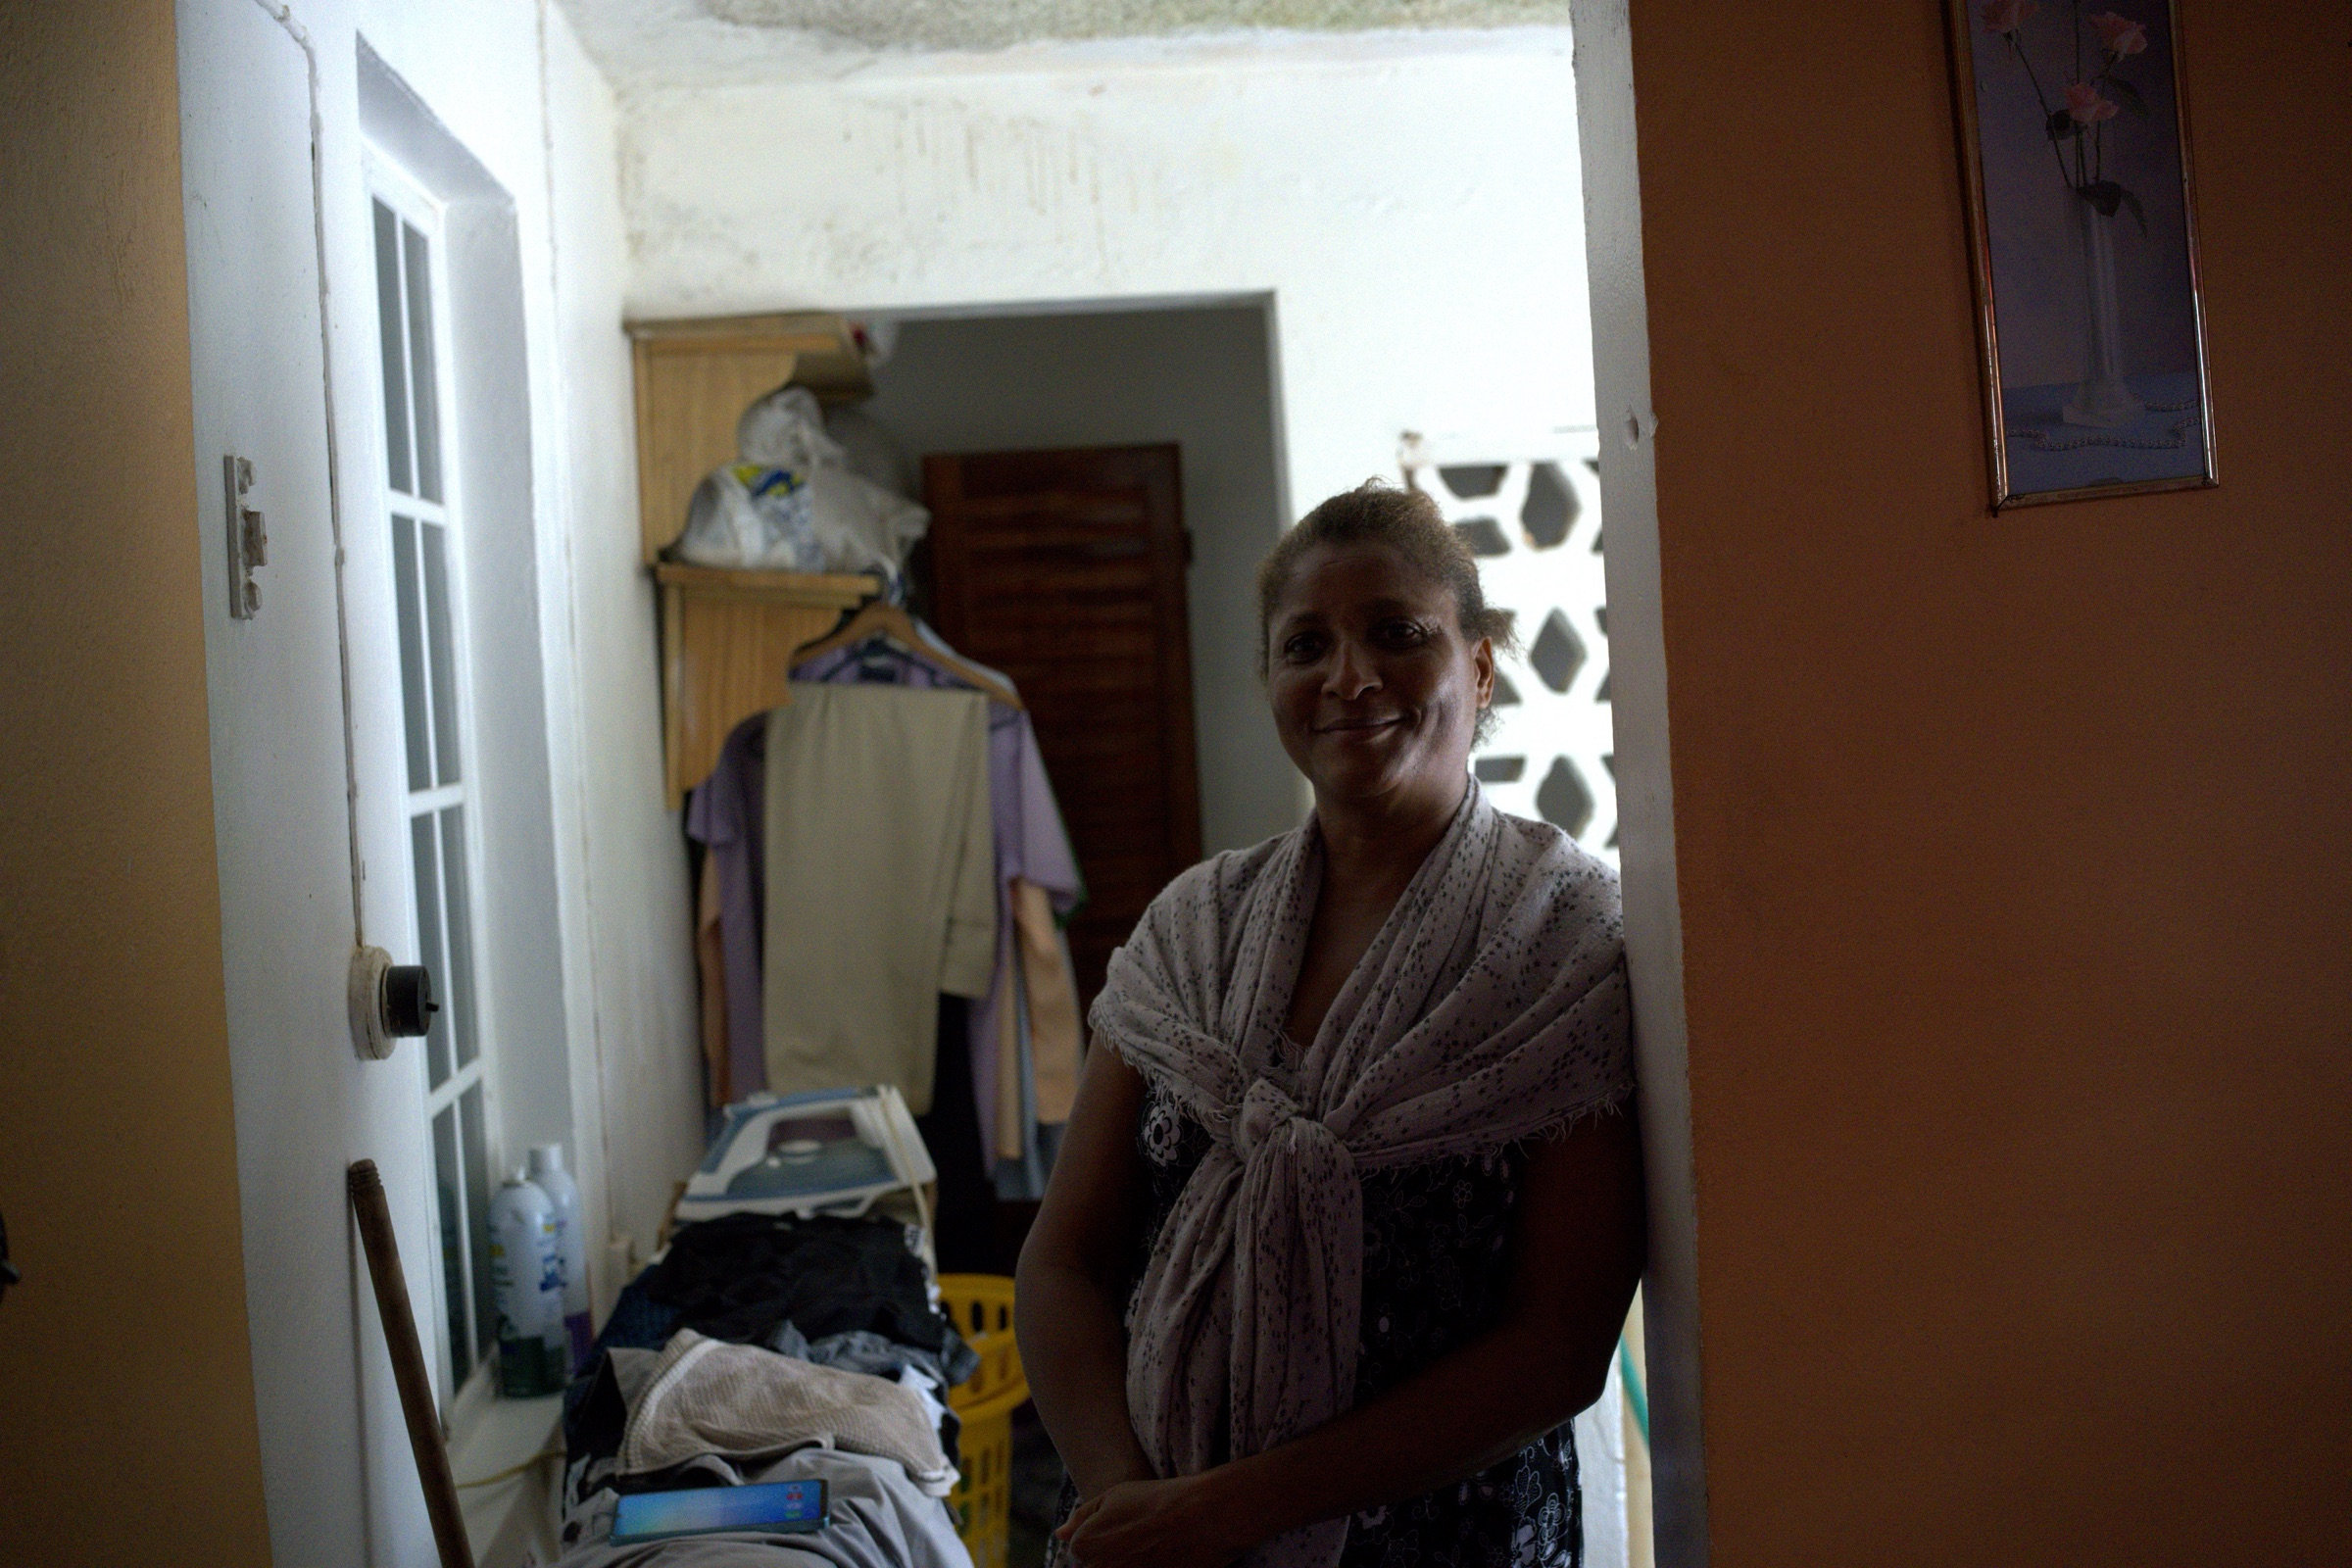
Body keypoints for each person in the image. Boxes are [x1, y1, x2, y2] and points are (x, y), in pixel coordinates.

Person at [1015, 481, 1644, 1568]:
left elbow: (1559, 1346)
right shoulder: (1192, 933)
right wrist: (1132, 1501)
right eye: (1305, 645)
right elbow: (1065, 1260)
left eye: (1396, 635)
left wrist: (1236, 1508)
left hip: (1455, 1541)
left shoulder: (1563, 936)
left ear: (1480, 664)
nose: (1349, 677)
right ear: (1270, 679)